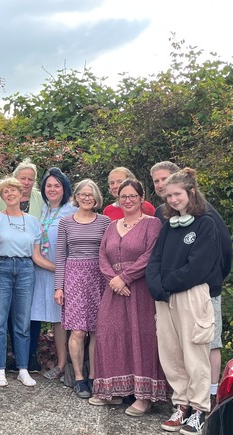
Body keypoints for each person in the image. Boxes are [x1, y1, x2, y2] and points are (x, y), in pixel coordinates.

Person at [146, 168, 224, 434]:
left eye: (177, 194)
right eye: (169, 196)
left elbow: (199, 267)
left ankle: (200, 409)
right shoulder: (169, 225)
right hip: (166, 297)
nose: (173, 200)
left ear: (191, 193)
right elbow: (155, 259)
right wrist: (155, 285)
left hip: (191, 294)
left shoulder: (206, 223)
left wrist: (166, 283)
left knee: (194, 353)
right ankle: (181, 405)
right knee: (171, 354)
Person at [90, 179, 168, 415]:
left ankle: (144, 397)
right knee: (109, 333)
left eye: (133, 196)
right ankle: (114, 390)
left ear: (142, 198)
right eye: (124, 196)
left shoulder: (152, 224)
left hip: (140, 289)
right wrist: (114, 281)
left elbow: (151, 255)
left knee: (140, 337)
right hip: (114, 290)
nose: (128, 200)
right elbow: (102, 255)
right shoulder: (112, 226)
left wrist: (125, 277)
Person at [0, 177, 50, 388]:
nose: (10, 194)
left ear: (21, 193)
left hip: (25, 269)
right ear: (2, 196)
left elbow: (36, 256)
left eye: (14, 190)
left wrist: (60, 269)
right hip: (0, 268)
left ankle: (23, 368)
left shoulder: (33, 221)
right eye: (6, 191)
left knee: (22, 322)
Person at [54, 179, 110, 399]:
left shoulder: (105, 221)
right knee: (77, 330)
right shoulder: (65, 222)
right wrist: (59, 287)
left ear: (96, 198)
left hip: (98, 277)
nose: (87, 198)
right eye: (83, 194)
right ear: (76, 197)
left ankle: (95, 378)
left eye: (91, 194)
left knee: (97, 329)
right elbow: (61, 256)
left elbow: (108, 253)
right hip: (74, 277)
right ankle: (79, 378)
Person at [30, 167, 77, 380]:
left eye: (57, 185)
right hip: (45, 270)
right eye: (48, 185)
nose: (52, 189)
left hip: (67, 272)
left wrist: (66, 271)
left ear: (64, 188)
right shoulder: (44, 211)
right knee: (55, 317)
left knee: (70, 318)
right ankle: (60, 363)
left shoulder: (73, 211)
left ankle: (75, 364)